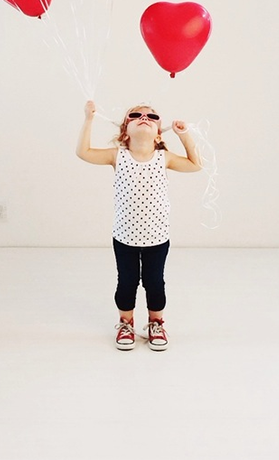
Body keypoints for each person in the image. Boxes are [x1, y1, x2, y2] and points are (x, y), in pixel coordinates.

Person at [76, 100, 202, 351]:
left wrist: (184, 135)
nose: (144, 117)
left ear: (158, 134)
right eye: (136, 115)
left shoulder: (163, 158)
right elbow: (84, 152)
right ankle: (125, 323)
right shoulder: (117, 155)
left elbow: (195, 165)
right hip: (125, 237)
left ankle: (156, 323)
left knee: (155, 282)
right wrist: (88, 119)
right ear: (125, 130)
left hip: (157, 237)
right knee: (126, 282)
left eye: (152, 116)